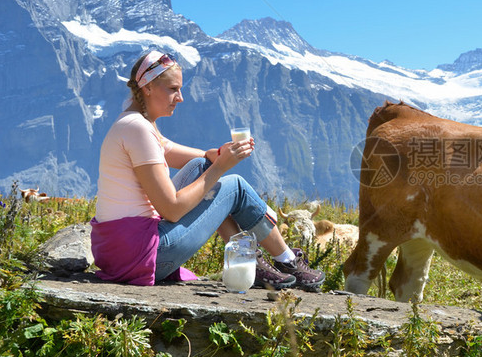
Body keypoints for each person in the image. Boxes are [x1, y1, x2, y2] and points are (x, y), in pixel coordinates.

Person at [90, 50, 325, 291]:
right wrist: (221, 167)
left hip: (118, 253)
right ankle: (286, 259)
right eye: (173, 89)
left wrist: (212, 156)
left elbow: (166, 149)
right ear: (148, 88)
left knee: (202, 166)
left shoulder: (132, 122)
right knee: (233, 186)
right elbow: (170, 209)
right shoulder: (138, 129)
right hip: (143, 256)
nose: (180, 98)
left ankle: (249, 261)